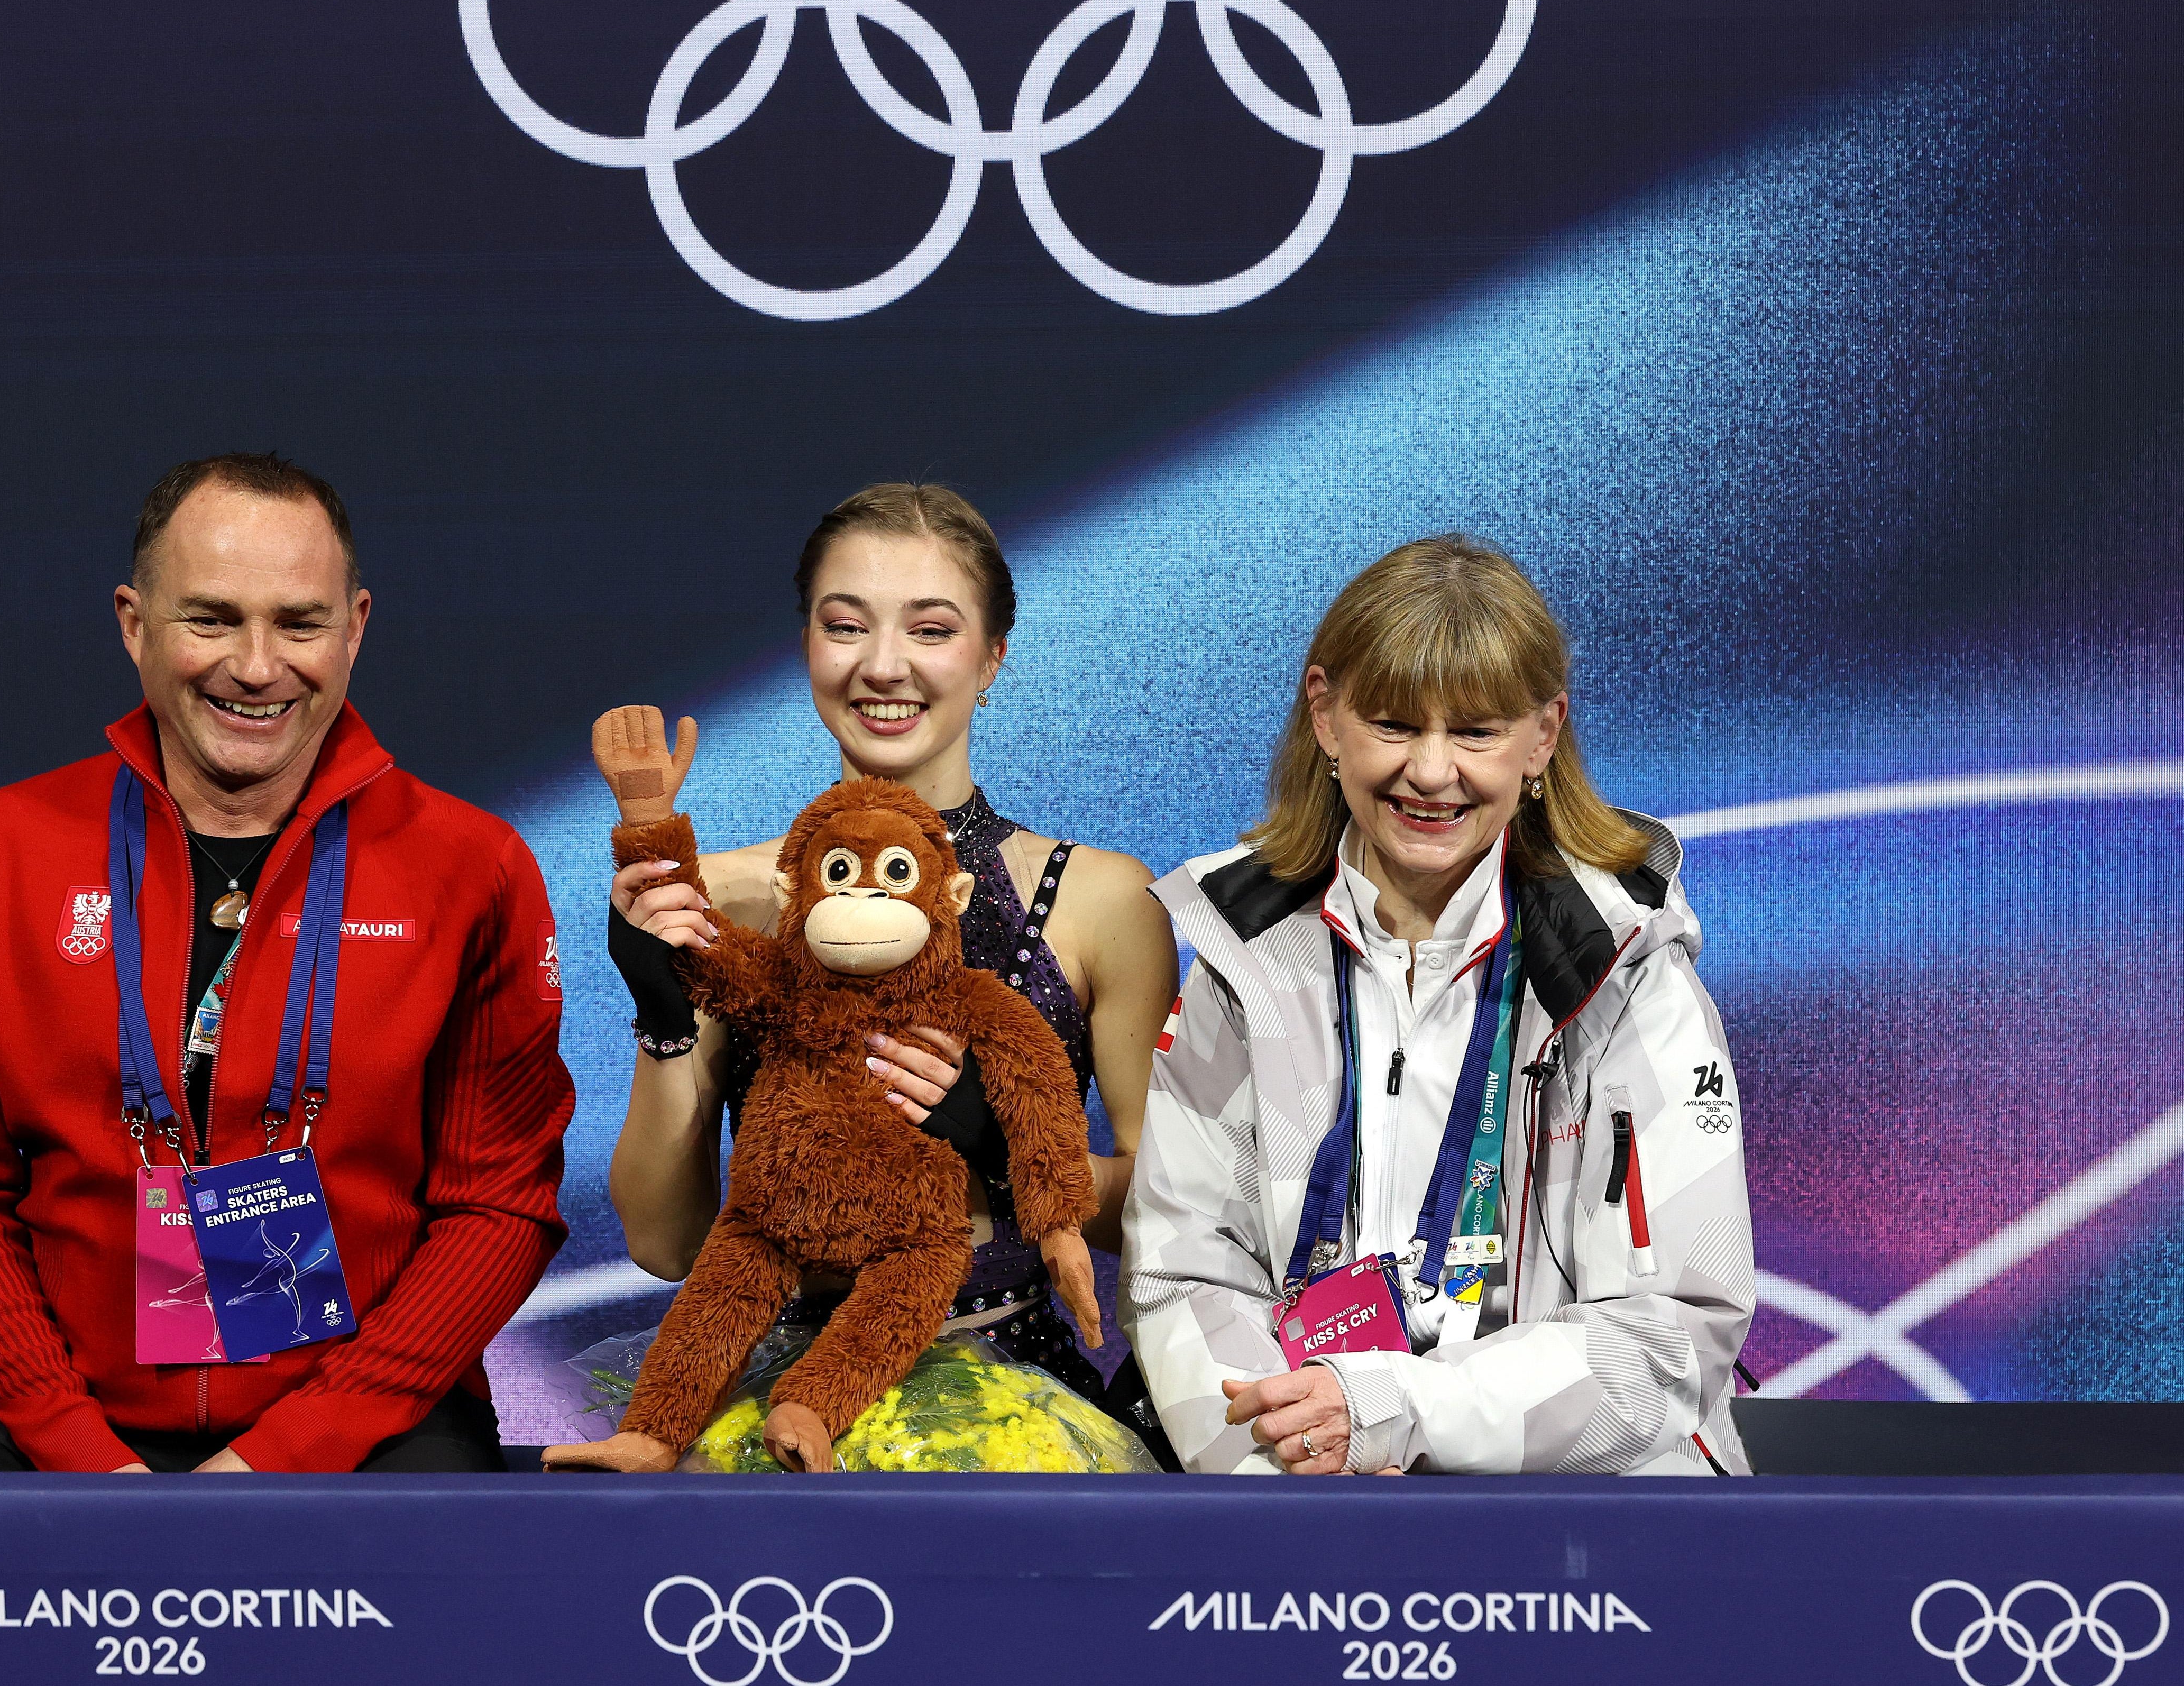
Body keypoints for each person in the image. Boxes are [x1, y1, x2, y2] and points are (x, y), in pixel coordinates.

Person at [0, 452, 574, 1473]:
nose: (255, 666)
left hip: (366, 1422)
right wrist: (75, 1449)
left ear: (356, 627)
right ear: (132, 623)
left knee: (441, 1615)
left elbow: (499, 1203)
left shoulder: (471, 866)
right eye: (211, 618)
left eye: (299, 622)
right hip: (62, 1417)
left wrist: (289, 1455)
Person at [1123, 534, 1754, 1476]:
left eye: (1474, 731)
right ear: (1326, 716)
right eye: (1392, 724)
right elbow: (1184, 1275)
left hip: (1582, 1527)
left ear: (1542, 737)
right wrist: (1281, 1466)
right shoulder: (1239, 957)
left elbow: (1668, 1337)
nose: (1429, 771)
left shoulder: (1625, 969)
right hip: (1299, 1505)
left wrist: (1392, 1412)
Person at [607, 483, 1179, 1418]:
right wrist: (663, 1014)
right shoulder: (729, 895)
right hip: (771, 1392)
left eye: (930, 630)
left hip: (1022, 1406)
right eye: (845, 626)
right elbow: (666, 1246)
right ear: (805, 645)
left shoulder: (1098, 898)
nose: (882, 666)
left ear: (991, 658)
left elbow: (1174, 1204)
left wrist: (998, 1141)